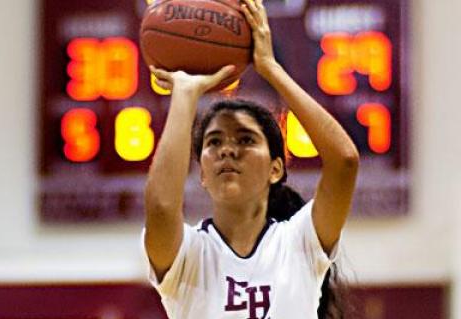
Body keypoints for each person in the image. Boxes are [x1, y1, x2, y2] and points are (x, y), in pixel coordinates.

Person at [142, 0, 359, 317]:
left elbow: (345, 161)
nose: (227, 149)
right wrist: (185, 93)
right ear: (201, 173)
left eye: (245, 139)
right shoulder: (189, 255)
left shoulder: (299, 242)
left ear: (276, 168)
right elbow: (161, 206)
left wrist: (270, 68)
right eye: (214, 142)